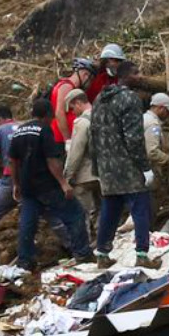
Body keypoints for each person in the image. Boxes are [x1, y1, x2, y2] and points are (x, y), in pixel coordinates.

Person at [9, 98, 92, 271]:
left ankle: (25, 261)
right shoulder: (44, 130)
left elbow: (13, 161)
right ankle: (83, 253)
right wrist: (63, 184)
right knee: (75, 213)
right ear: (48, 115)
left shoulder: (19, 131)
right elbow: (51, 160)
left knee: (28, 223)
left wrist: (16, 184)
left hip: (27, 186)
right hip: (46, 185)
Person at [90, 62, 159, 269]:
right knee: (140, 209)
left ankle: (102, 254)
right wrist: (145, 167)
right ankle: (142, 255)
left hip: (107, 168)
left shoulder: (99, 100)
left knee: (110, 210)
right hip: (128, 168)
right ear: (126, 76)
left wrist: (97, 167)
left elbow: (93, 135)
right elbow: (134, 138)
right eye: (137, 73)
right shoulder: (130, 99)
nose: (140, 76)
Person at [63, 90, 100, 239]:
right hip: (103, 174)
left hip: (84, 175)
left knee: (81, 214)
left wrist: (67, 177)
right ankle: (104, 245)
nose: (73, 112)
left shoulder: (82, 122)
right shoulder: (102, 116)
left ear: (78, 103)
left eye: (73, 108)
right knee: (102, 211)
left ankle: (85, 248)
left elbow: (76, 153)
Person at [51, 58, 97, 145]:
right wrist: (67, 139)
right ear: (85, 75)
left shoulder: (67, 86)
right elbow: (59, 113)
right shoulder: (67, 86)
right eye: (90, 80)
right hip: (61, 139)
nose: (90, 84)